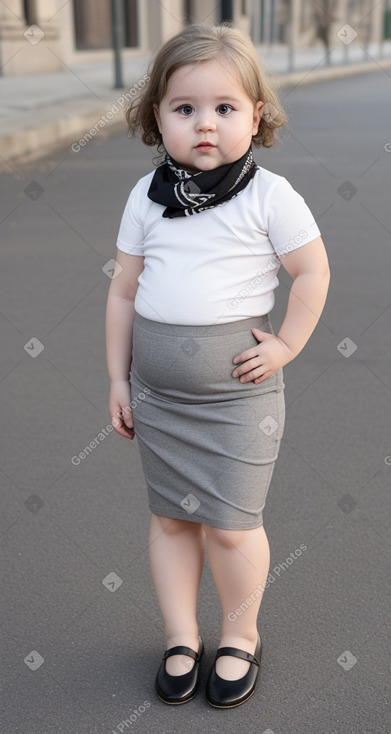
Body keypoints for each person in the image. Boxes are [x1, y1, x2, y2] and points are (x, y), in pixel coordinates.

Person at [105, 22, 330, 709]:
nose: (205, 123)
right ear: (158, 117)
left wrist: (285, 345)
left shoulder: (269, 196)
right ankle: (180, 635)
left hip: (238, 399)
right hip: (160, 395)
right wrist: (118, 378)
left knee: (232, 525)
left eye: (224, 108)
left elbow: (312, 273)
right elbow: (122, 290)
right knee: (172, 518)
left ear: (254, 114)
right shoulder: (147, 198)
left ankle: (239, 635)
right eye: (184, 108)